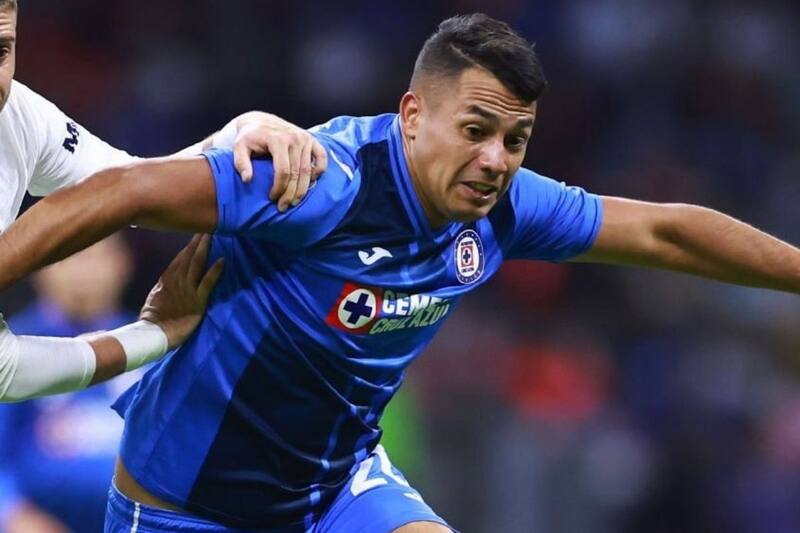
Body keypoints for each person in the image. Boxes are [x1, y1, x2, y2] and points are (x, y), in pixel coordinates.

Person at [1, 12, 799, 533]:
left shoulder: (507, 206)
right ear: (413, 116)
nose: (496, 159)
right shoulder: (320, 184)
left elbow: (665, 231)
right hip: (189, 504)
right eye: (476, 130)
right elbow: (126, 189)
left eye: (515, 139)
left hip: (335, 491)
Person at [0, 0, 325, 400]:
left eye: (1, 51)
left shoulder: (19, 117)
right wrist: (151, 335)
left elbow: (129, 186)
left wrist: (239, 133)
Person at [0, 235, 143, 533]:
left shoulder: (153, 348)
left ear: (123, 264)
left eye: (96, 257)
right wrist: (11, 514)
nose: (84, 272)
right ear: (40, 268)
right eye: (71, 257)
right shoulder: (13, 351)